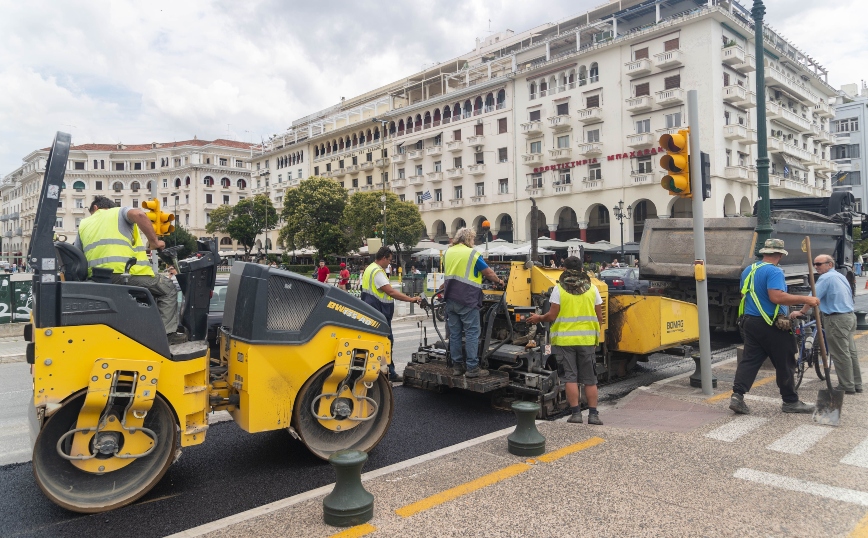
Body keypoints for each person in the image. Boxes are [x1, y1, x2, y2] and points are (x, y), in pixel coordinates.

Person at [75, 196, 183, 344]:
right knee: (168, 288)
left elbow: (77, 255)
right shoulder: (118, 212)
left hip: (98, 278)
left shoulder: (83, 224)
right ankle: (166, 335)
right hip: (124, 274)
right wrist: (154, 241)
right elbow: (139, 214)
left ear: (94, 208)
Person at [730, 239, 819, 415]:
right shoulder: (774, 271)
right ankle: (790, 401)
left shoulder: (749, 270)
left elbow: (744, 293)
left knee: (750, 360)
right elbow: (776, 297)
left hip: (749, 321)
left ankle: (737, 396)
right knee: (785, 362)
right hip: (771, 323)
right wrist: (806, 299)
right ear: (779, 255)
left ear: (764, 253)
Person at [527, 256, 604, 425]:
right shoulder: (593, 289)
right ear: (582, 270)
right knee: (590, 379)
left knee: (570, 378)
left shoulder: (558, 289)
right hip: (587, 339)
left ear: (564, 269)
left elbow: (552, 315)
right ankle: (593, 415)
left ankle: (576, 414)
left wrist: (538, 317)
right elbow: (600, 316)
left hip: (565, 341)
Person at [789, 254, 862, 394]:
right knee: (850, 352)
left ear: (830, 264)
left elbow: (812, 298)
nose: (816, 267)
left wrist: (802, 312)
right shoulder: (839, 276)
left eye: (819, 264)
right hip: (849, 317)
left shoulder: (826, 278)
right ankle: (856, 384)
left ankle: (846, 385)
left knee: (840, 353)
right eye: (814, 264)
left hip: (836, 319)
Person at [443, 228, 505, 378]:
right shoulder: (472, 254)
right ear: (468, 239)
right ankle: (472, 368)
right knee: (472, 333)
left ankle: (457, 366)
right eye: (473, 239)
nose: (474, 242)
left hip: (450, 298)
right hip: (467, 299)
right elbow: (488, 272)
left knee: (455, 334)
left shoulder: (448, 252)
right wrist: (499, 281)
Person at [361, 247, 422, 382]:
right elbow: (391, 292)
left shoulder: (370, 268)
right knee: (387, 343)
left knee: (378, 344)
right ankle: (390, 373)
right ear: (383, 258)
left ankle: (379, 372)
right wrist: (411, 299)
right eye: (389, 260)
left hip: (372, 312)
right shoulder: (377, 272)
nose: (390, 263)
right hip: (379, 313)